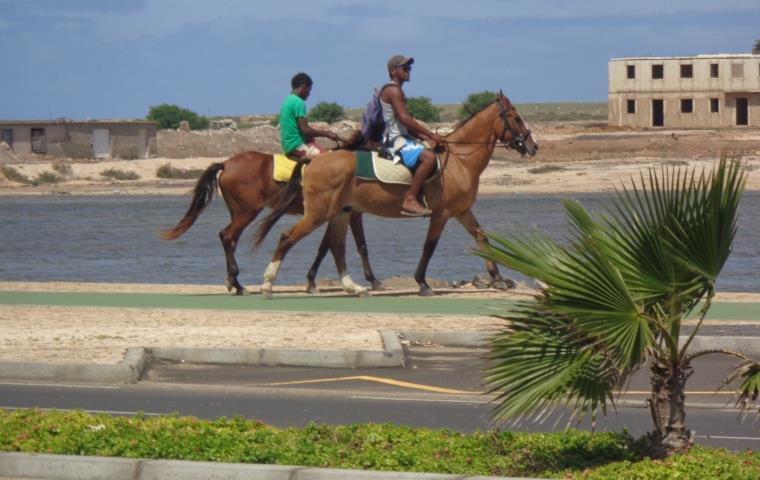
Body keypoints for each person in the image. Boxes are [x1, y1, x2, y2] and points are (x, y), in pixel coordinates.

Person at [380, 55, 445, 217]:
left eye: (409, 68)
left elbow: (406, 125)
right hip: (393, 141)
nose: (409, 71)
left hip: (403, 138)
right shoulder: (393, 89)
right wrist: (430, 133)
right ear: (393, 71)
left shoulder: (397, 89)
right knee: (428, 158)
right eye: (405, 68)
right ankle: (409, 198)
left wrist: (426, 137)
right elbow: (405, 119)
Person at [279, 72, 342, 158]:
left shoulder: (287, 100)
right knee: (329, 159)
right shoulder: (298, 102)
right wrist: (327, 134)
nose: (309, 94)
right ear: (304, 86)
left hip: (287, 146)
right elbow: (305, 130)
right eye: (309, 90)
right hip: (297, 145)